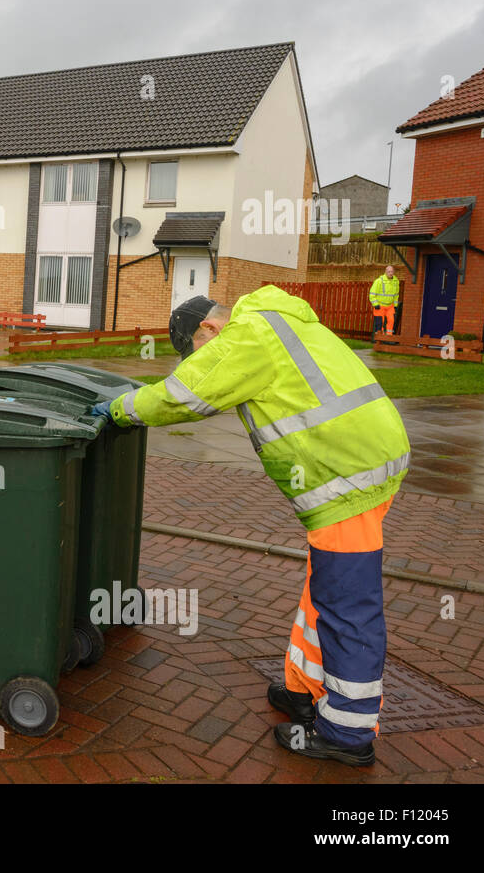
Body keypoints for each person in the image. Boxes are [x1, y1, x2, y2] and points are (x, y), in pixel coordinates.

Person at [91, 287, 410, 767]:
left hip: (348, 478)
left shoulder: (248, 335)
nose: (202, 360)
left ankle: (348, 731)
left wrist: (120, 410)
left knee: (347, 603)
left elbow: (182, 397)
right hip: (364, 463)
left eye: (197, 352)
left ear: (209, 330)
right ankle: (306, 690)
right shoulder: (276, 322)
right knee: (322, 588)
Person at [368, 265, 400, 339]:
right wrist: (375, 304)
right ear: (385, 272)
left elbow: (396, 295)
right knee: (379, 323)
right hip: (380, 306)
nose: (390, 273)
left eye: (392, 271)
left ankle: (389, 338)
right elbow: (372, 294)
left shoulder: (396, 281)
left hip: (390, 306)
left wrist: (395, 305)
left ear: (394, 272)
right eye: (389, 271)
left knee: (391, 321)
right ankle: (379, 338)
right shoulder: (379, 281)